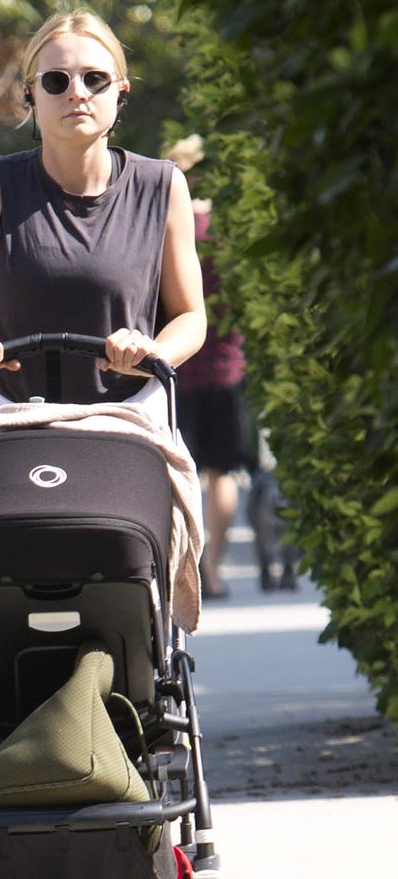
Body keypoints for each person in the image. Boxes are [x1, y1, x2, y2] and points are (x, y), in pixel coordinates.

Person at [0, 8, 206, 879]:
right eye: (56, 81)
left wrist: (150, 352)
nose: (75, 94)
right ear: (29, 97)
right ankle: (13, 847)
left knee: (127, 634)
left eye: (94, 79)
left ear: (121, 92)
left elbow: (191, 317)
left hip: (119, 431)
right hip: (14, 434)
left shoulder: (159, 187)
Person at [164, 136, 251, 599]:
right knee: (221, 473)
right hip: (225, 368)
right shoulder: (228, 228)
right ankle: (212, 570)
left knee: (177, 472)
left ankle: (183, 572)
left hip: (172, 366)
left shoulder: (164, 219)